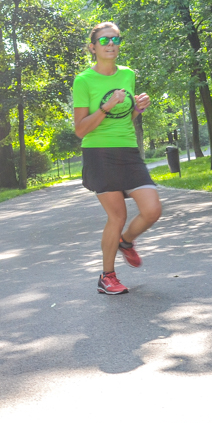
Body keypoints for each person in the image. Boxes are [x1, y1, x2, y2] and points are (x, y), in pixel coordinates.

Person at [72, 22, 162, 295]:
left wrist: (138, 108)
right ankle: (107, 276)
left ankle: (126, 241)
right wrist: (106, 106)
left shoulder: (127, 75)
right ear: (93, 47)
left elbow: (126, 118)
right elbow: (80, 130)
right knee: (117, 215)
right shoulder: (83, 81)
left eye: (115, 39)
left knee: (152, 210)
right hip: (99, 153)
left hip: (128, 150)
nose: (111, 44)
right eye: (104, 40)